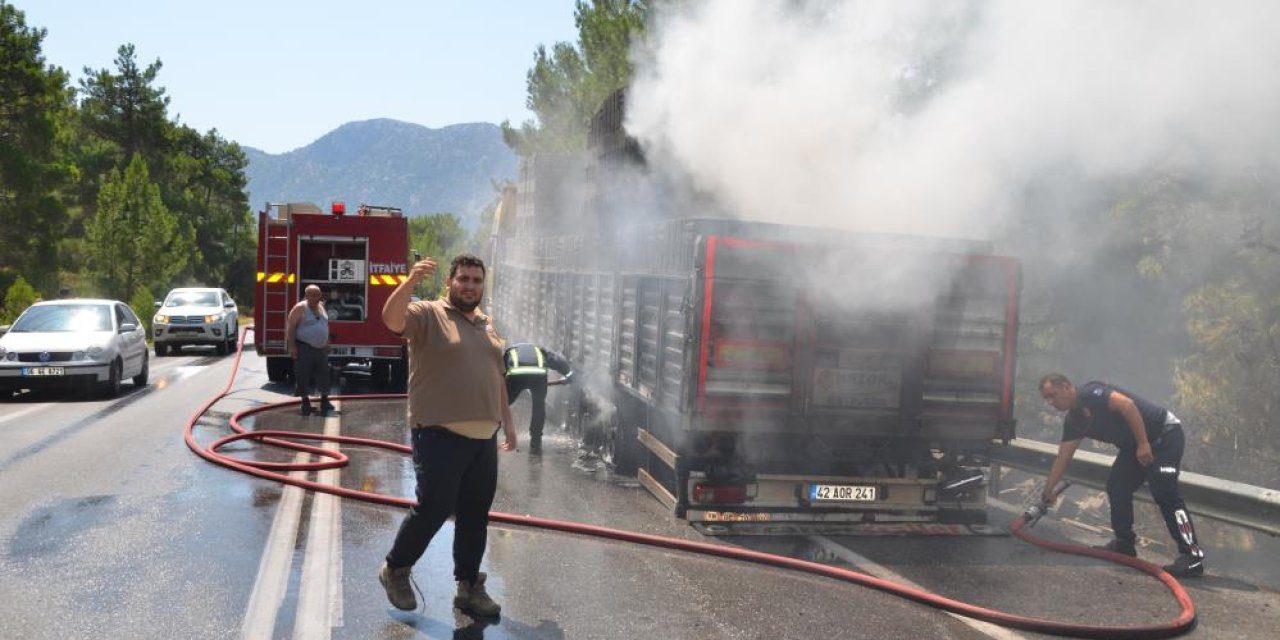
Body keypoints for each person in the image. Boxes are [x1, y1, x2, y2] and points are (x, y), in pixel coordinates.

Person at [378, 254, 517, 616]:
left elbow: (496, 376)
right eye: (463, 279)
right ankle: (396, 568)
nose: (470, 285)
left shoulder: (487, 324)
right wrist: (408, 282)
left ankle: (469, 587)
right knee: (435, 508)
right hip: (439, 432)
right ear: (449, 282)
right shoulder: (428, 313)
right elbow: (391, 319)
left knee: (474, 514)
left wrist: (509, 422)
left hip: (484, 437)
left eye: (476, 280)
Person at [1039, 373, 1205, 578]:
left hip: (1164, 436)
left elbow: (1127, 405)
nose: (1051, 402)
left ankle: (1192, 556)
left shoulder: (1090, 392)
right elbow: (1063, 457)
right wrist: (1049, 490)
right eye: (1047, 399)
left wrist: (1144, 443)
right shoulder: (1074, 421)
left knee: (1165, 492)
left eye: (1053, 395)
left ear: (1066, 386)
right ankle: (1124, 544)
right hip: (1134, 446)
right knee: (1117, 486)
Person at [503, 342, 574, 454]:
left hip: (515, 377)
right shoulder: (541, 350)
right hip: (538, 377)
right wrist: (569, 375)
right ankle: (536, 441)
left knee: (503, 404)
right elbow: (559, 362)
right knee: (539, 406)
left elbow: (499, 369)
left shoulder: (509, 352)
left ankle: (490, 432)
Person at [285, 285, 334, 417]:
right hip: (304, 346)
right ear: (306, 296)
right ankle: (305, 402)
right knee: (303, 374)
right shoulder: (300, 308)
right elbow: (291, 328)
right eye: (312, 295)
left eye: (317, 295)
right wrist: (292, 346)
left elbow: (325, 325)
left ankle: (324, 400)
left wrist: (327, 342)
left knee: (324, 373)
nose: (315, 298)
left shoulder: (321, 307)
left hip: (321, 348)